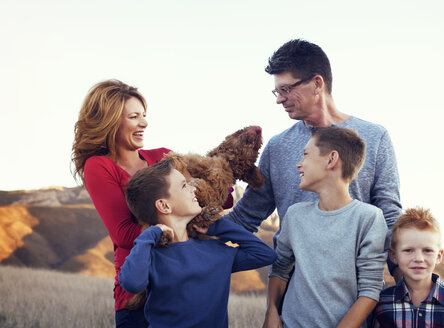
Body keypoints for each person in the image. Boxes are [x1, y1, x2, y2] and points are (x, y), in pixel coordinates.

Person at [223, 39, 402, 279]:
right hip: (293, 289)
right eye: (277, 91)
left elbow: (389, 218)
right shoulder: (277, 147)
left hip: (358, 292)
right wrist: (189, 233)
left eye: (286, 89)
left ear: (317, 83)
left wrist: (408, 287)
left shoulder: (375, 137)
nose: (279, 99)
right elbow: (246, 216)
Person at [71, 79, 234, 327]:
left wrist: (220, 174)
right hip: (140, 293)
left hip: (183, 285)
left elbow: (220, 197)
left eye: (144, 115)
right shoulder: (99, 166)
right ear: (111, 120)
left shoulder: (162, 157)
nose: (144, 123)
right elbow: (124, 235)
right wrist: (181, 224)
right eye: (134, 117)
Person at [118, 158, 277, 328]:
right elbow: (132, 283)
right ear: (164, 205)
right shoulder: (151, 255)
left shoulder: (215, 251)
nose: (194, 189)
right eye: (184, 185)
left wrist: (217, 225)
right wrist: (150, 235)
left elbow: (265, 254)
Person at [263, 126, 387, 328]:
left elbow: (370, 290)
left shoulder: (368, 218)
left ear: (331, 159)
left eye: (305, 155)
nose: (298, 164)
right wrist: (272, 312)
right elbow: (280, 268)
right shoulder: (295, 215)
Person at [371, 207, 444, 328]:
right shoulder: (383, 303)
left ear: (439, 256)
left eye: (427, 250)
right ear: (393, 255)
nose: (419, 258)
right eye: (408, 250)